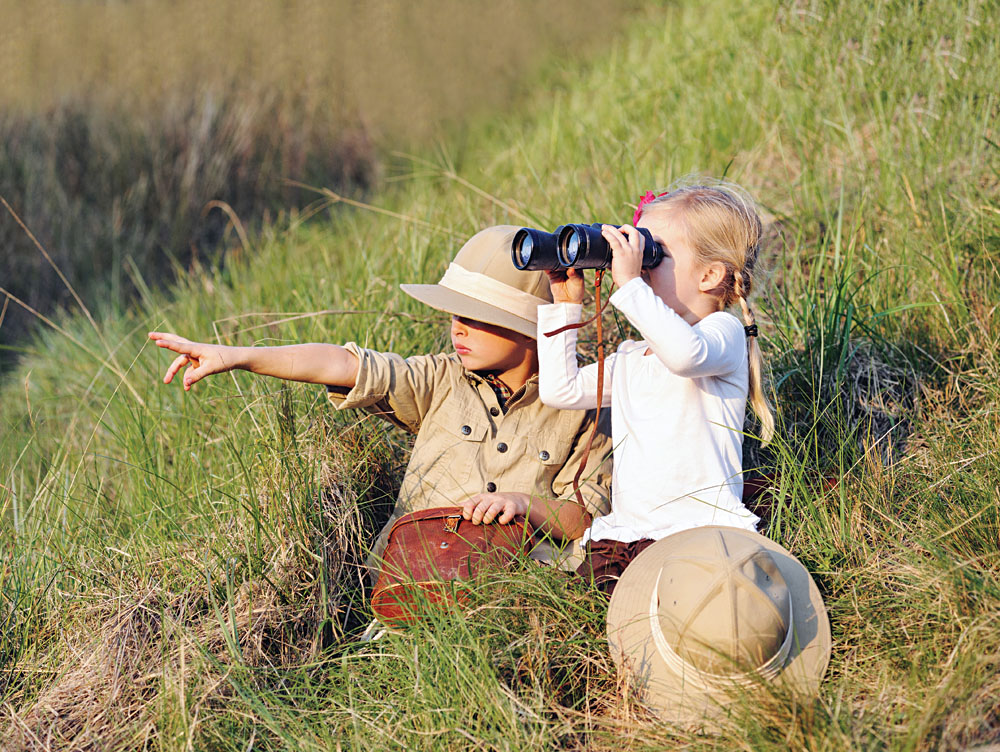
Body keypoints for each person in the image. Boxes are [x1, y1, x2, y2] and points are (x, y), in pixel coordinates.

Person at [149, 225, 611, 578]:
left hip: (512, 592)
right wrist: (237, 355)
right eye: (454, 314)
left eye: (477, 317)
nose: (458, 329)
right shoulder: (440, 380)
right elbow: (344, 366)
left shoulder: (591, 402)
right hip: (409, 584)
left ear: (532, 327)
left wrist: (523, 504)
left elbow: (583, 521)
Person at [536, 183, 774, 594]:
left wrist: (630, 286)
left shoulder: (723, 333)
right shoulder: (633, 356)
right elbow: (561, 390)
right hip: (630, 534)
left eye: (652, 253)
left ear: (710, 275)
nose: (638, 264)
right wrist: (564, 304)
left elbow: (684, 355)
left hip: (699, 531)